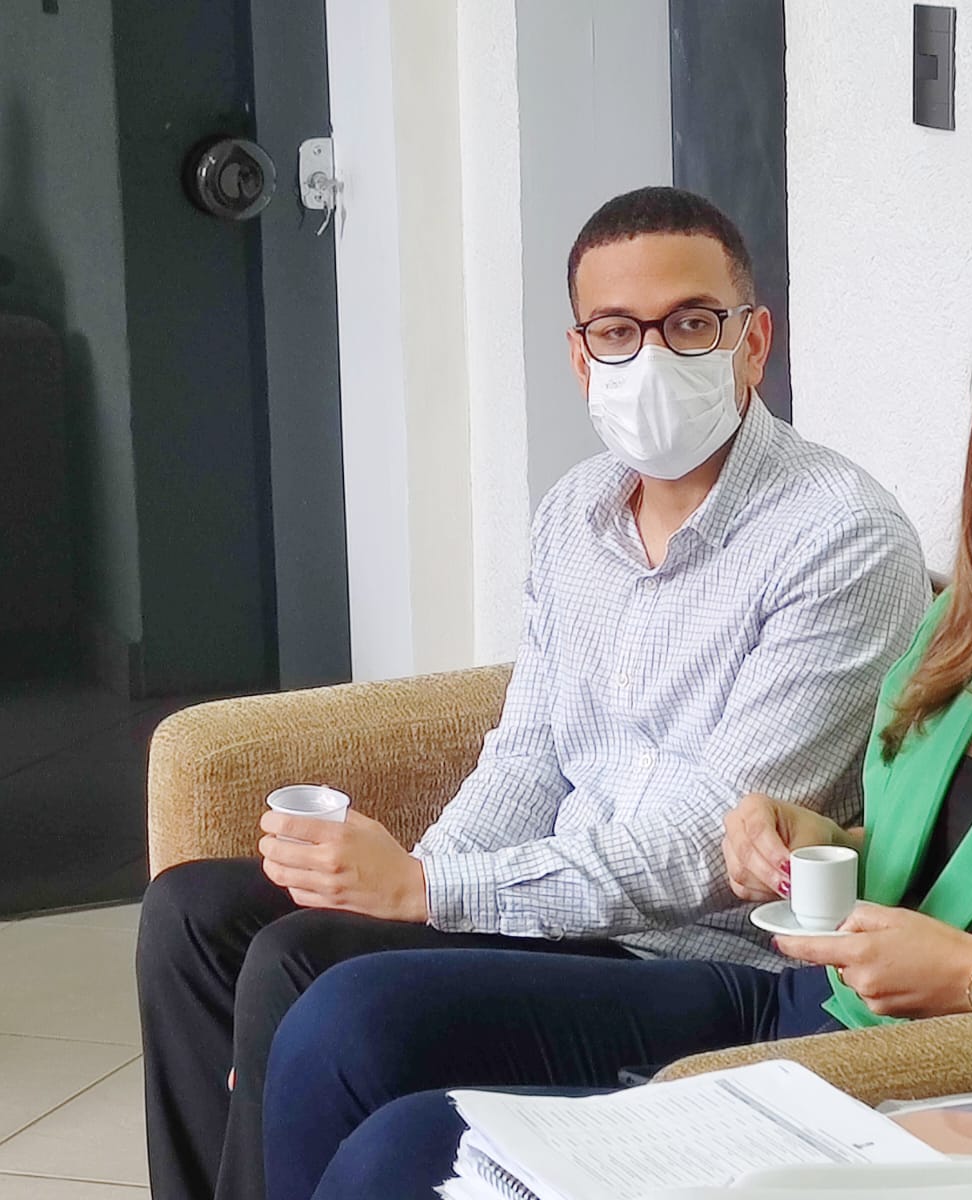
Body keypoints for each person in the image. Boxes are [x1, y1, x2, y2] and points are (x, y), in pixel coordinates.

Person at [260, 270, 972, 1200]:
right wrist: (815, 839)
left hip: (910, 1071)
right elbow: (959, 854)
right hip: (803, 999)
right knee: (349, 1019)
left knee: (408, 1153)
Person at [134, 186, 929, 1200]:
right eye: (617, 331)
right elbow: (527, 757)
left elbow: (708, 851)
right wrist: (410, 891)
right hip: (556, 912)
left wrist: (426, 894)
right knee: (193, 914)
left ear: (753, 342)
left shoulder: (839, 536)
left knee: (302, 961)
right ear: (580, 357)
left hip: (698, 955)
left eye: (690, 324)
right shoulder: (573, 514)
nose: (652, 357)